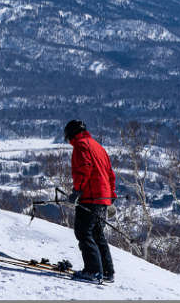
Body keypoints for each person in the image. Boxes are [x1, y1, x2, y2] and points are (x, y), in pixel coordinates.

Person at [65, 119, 116, 284]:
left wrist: (77, 190)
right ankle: (107, 271)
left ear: (71, 134)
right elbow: (110, 173)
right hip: (103, 197)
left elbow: (84, 168)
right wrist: (111, 194)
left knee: (83, 232)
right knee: (97, 233)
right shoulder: (97, 146)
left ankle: (93, 271)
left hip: (90, 196)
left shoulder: (81, 146)